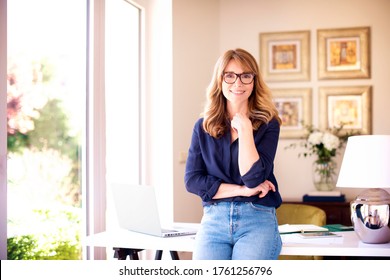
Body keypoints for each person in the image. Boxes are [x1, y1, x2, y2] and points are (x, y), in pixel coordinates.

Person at [184, 48, 282, 260]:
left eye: (246, 76)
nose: (238, 83)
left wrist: (245, 130)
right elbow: (192, 181)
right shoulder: (202, 126)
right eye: (230, 75)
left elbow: (253, 177)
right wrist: (242, 190)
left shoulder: (269, 124)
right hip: (214, 220)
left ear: (254, 81)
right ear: (220, 81)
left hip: (257, 219)